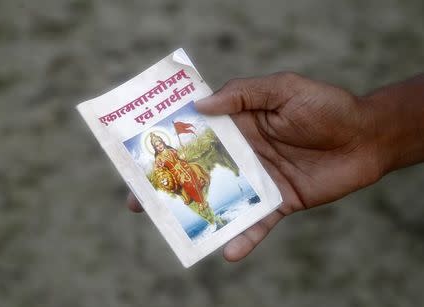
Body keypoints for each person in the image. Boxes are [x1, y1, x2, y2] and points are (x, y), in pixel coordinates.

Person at [128, 72, 424, 262]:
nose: (157, 145)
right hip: (180, 180)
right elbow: (165, 171)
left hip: (189, 173)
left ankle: (213, 211)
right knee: (192, 198)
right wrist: (369, 133)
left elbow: (180, 160)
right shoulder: (158, 157)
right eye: (153, 143)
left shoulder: (170, 148)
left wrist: (368, 136)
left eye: (158, 141)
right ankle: (209, 216)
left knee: (201, 181)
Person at [149, 132, 217, 224]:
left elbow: (179, 157)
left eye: (160, 143)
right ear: (155, 148)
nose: (159, 146)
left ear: (163, 142)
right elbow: (159, 169)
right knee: (186, 183)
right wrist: (159, 168)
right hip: (174, 172)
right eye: (157, 146)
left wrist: (182, 157)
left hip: (182, 165)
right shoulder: (158, 158)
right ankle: (199, 202)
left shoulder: (171, 151)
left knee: (192, 175)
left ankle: (201, 198)